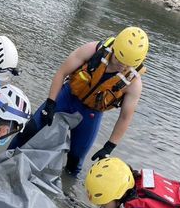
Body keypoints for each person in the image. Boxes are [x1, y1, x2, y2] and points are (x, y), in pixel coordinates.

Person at [9, 27, 148, 176]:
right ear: (115, 48)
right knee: (29, 130)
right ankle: (2, 160)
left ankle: (66, 193)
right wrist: (50, 102)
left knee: (75, 161)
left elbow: (125, 117)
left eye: (127, 65)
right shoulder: (93, 50)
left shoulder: (134, 84)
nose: (122, 67)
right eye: (120, 60)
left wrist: (109, 146)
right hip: (67, 97)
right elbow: (62, 72)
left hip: (91, 114)